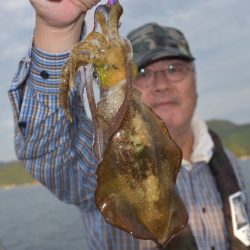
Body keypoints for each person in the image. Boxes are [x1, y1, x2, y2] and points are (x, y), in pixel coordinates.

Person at [8, 0, 249, 249]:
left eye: (174, 68)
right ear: (129, 80)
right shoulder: (98, 163)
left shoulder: (227, 161)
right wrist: (57, 30)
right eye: (143, 72)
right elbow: (47, 147)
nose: (162, 83)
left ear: (195, 81)